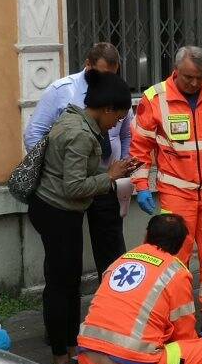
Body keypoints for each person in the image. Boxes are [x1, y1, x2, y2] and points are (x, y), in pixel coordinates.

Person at [27, 69, 141, 364]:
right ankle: (60, 357)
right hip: (58, 211)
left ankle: (70, 347)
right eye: (116, 118)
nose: (117, 125)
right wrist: (110, 176)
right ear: (106, 109)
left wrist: (112, 172)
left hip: (55, 208)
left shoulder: (74, 118)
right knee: (62, 285)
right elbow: (73, 187)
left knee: (65, 282)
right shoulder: (81, 135)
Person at [129, 46, 202, 320]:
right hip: (176, 192)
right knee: (174, 255)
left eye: (200, 77)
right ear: (176, 71)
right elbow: (139, 148)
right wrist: (142, 187)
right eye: (188, 77)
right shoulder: (155, 99)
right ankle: (174, 314)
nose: (194, 83)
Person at [77, 214, 202, 364]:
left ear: (146, 236)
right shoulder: (175, 272)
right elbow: (184, 336)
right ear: (180, 245)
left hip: (86, 360)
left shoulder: (121, 261)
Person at [24, 43, 133, 281]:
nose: (108, 81)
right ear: (88, 65)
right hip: (69, 187)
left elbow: (126, 133)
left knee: (112, 252)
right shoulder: (62, 90)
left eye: (112, 76)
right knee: (65, 262)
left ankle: (115, 304)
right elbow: (35, 133)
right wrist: (52, 172)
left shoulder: (117, 93)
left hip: (107, 181)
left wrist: (123, 168)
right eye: (102, 74)